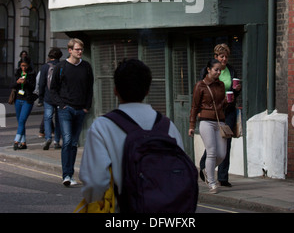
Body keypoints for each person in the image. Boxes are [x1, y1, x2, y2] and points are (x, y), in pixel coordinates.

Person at [79, 58, 184, 210]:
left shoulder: (102, 127)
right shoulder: (168, 126)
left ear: (115, 90)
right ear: (147, 90)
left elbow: (95, 182)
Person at [50, 38, 94, 187]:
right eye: (77, 49)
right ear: (69, 50)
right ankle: (66, 175)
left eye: (81, 49)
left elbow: (90, 89)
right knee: (67, 140)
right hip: (65, 109)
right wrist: (61, 105)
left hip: (80, 109)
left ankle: (70, 174)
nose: (80, 52)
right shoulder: (61, 67)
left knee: (74, 143)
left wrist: (86, 107)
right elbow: (53, 89)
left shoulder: (87, 67)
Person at [199, 43, 241, 187]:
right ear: (215, 57)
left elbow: (233, 92)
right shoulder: (207, 71)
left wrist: (236, 90)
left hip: (228, 111)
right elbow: (202, 89)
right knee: (213, 144)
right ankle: (204, 165)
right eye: (222, 56)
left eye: (226, 57)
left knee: (226, 143)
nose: (224, 59)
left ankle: (223, 177)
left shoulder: (231, 70)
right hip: (212, 112)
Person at [189, 58, 227, 194]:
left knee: (222, 154)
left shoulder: (221, 85)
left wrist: (228, 101)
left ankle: (206, 170)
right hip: (206, 121)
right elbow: (194, 106)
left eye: (220, 70)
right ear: (208, 69)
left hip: (220, 121)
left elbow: (222, 104)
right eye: (216, 70)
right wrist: (192, 125)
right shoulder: (200, 85)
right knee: (211, 152)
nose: (218, 72)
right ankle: (212, 182)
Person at [38, 47, 63, 150]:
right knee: (58, 119)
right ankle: (56, 141)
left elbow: (42, 83)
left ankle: (48, 138)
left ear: (49, 56)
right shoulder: (63, 65)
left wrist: (40, 97)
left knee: (47, 118)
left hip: (48, 97)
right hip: (60, 97)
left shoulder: (44, 67)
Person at [12, 56, 37, 150]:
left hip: (28, 99)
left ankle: (16, 140)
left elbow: (33, 87)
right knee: (20, 122)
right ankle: (23, 143)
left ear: (28, 65)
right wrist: (18, 82)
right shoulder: (17, 72)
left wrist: (26, 82)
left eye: (25, 66)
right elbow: (12, 85)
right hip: (18, 99)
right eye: (22, 65)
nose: (24, 68)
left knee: (22, 120)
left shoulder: (32, 73)